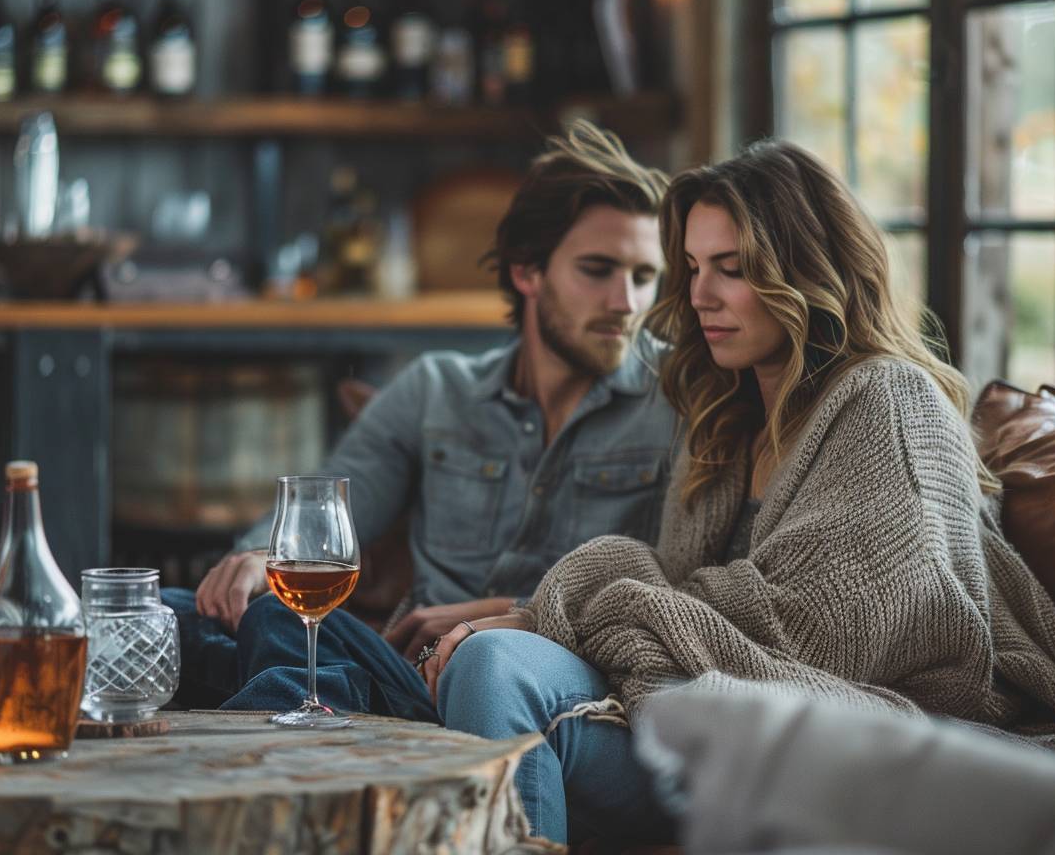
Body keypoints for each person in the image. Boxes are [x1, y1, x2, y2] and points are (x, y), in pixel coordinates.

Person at [428, 139, 1055, 845]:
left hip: (853, 733)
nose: (700, 296)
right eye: (691, 268)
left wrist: (552, 612)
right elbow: (684, 597)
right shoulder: (722, 416)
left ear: (807, 272)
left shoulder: (888, 401)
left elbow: (824, 632)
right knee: (441, 662)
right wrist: (550, 616)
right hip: (701, 709)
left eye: (733, 269)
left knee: (492, 662)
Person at [160, 120, 681, 718]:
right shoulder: (437, 389)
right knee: (152, 613)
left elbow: (676, 582)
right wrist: (257, 557)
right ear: (527, 272)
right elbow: (336, 506)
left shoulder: (678, 401)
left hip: (527, 673)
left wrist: (510, 611)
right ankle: (318, 716)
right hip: (403, 673)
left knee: (274, 629)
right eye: (598, 270)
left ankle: (300, 752)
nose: (627, 303)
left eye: (645, 277)